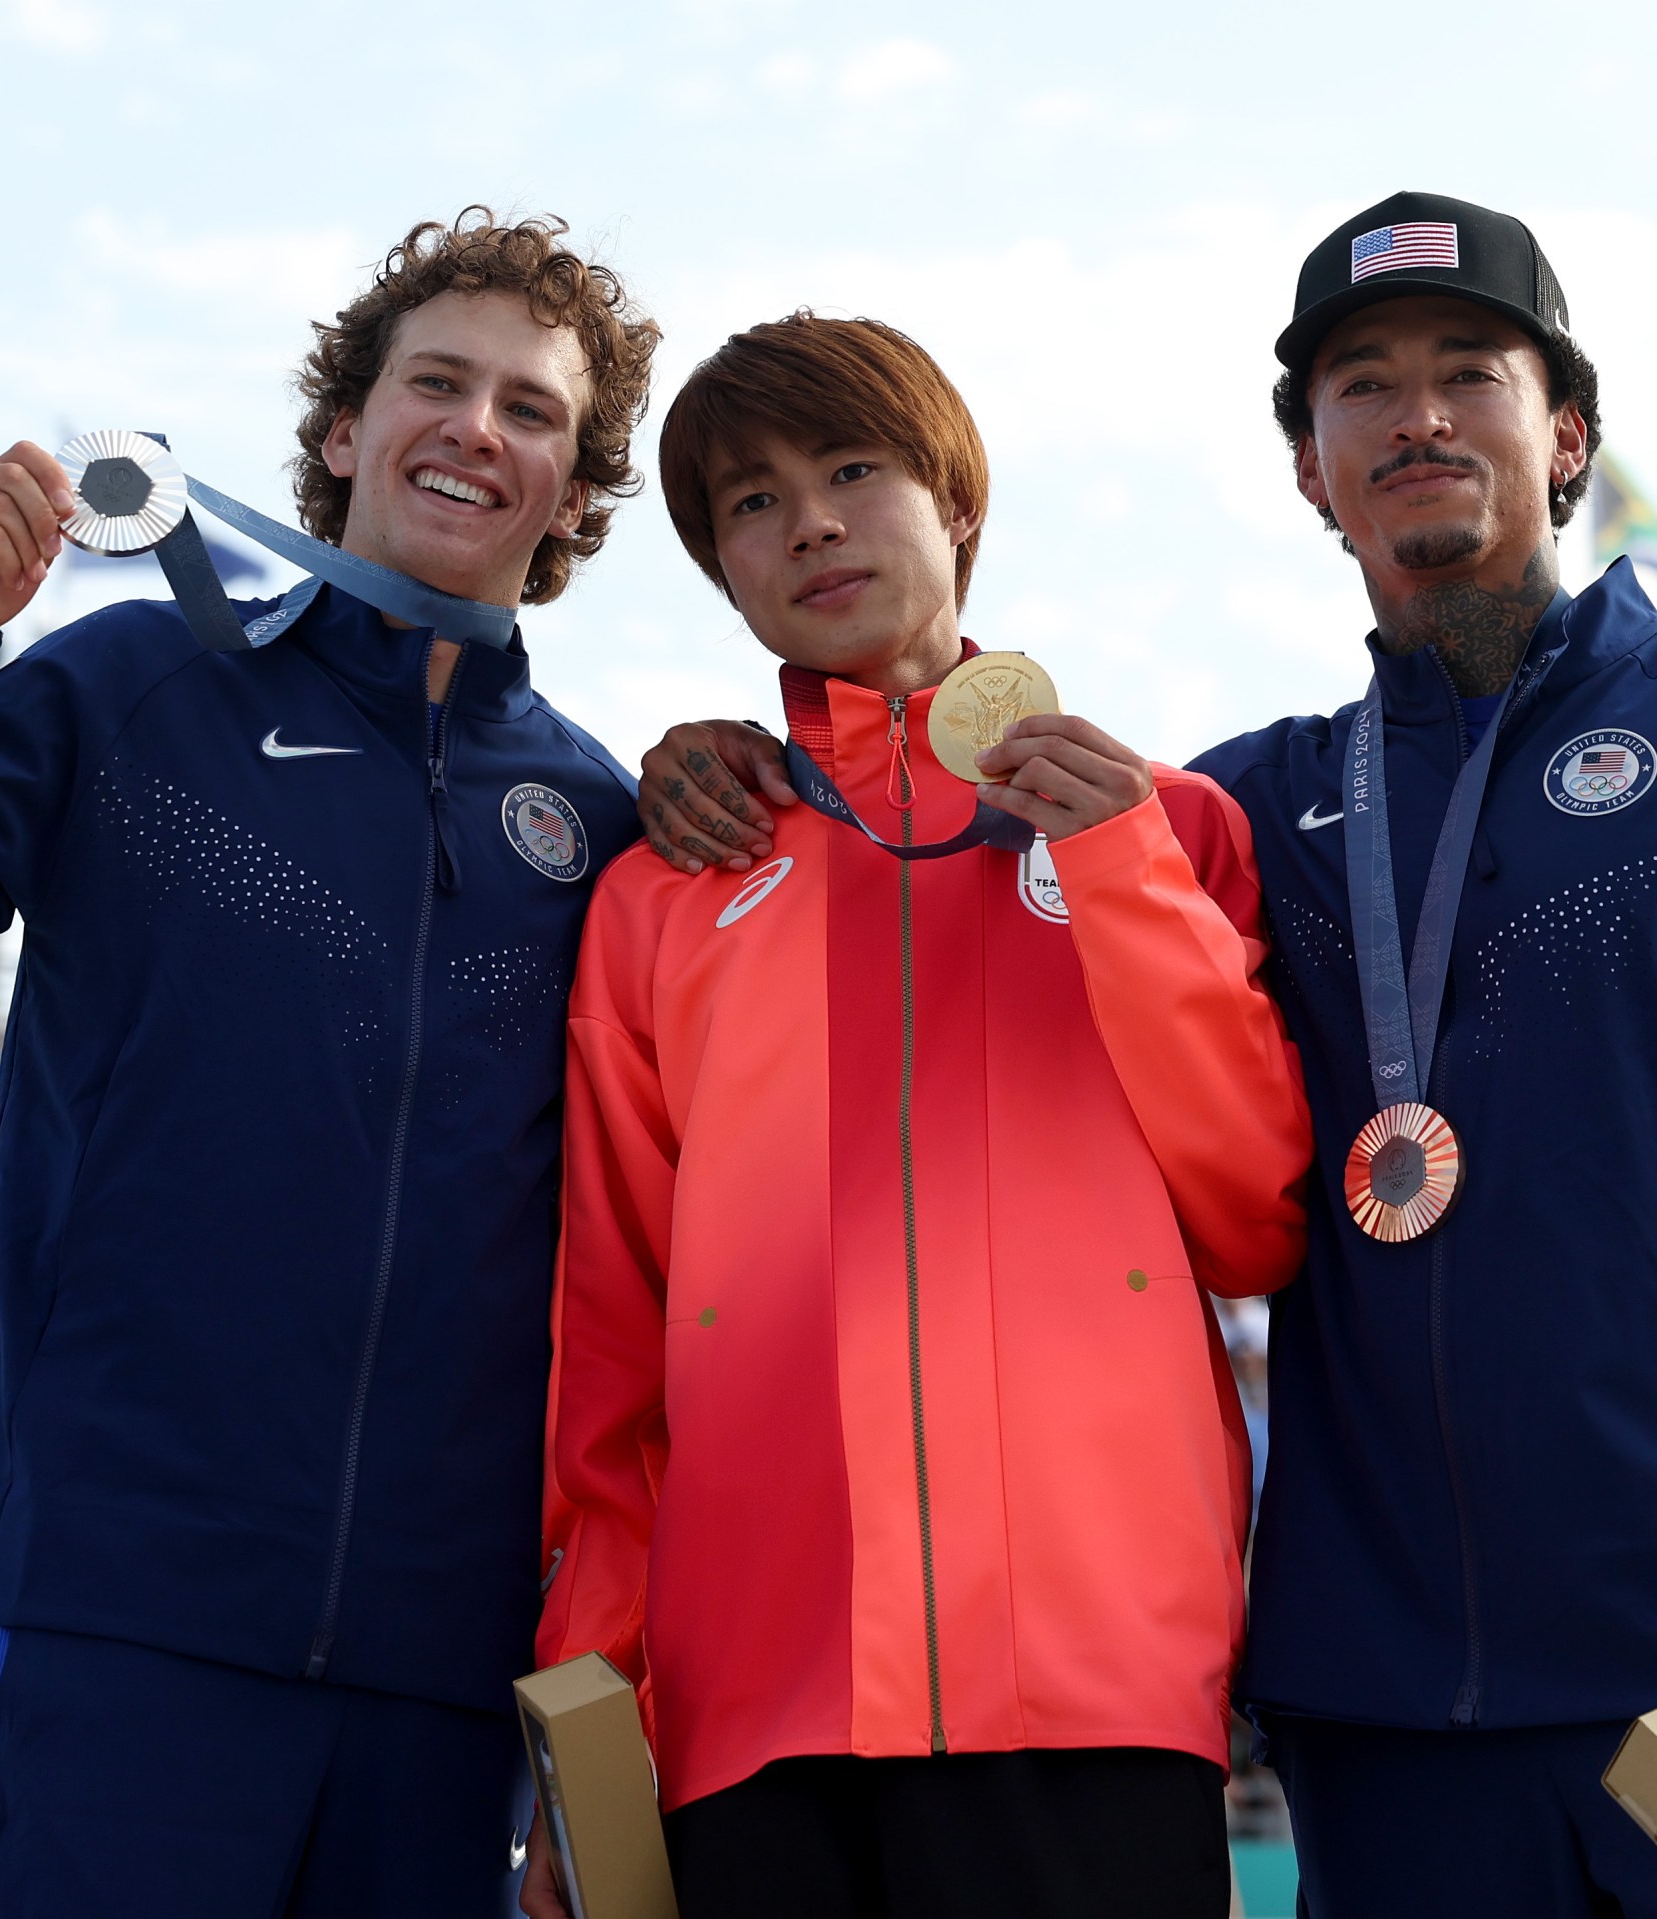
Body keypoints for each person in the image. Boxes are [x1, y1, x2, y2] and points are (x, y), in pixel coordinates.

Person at [630, 191, 1657, 1914]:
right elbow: (952, 849)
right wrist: (735, 762)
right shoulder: (1246, 809)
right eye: (1360, 388)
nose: (1415, 416)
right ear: (1309, 472)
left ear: (1565, 434)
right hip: (1389, 1709)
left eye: (1468, 372)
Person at [0, 208, 659, 1917]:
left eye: (531, 409)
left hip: (440, 1687)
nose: (475, 429)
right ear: (342, 429)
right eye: (436, 381)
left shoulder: (602, 823)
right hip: (111, 1619)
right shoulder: (132, 683)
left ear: (576, 490)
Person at [524, 314, 1310, 1919]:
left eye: (853, 468)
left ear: (957, 500)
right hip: (755, 1712)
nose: (807, 519)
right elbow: (607, 1347)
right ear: (721, 571)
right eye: (749, 502)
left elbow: (1255, 1214)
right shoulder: (662, 890)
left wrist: (1120, 876)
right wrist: (590, 1711)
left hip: (1100, 1685)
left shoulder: (1173, 826)